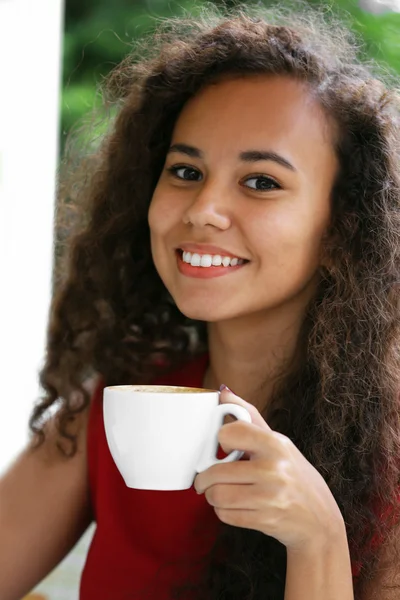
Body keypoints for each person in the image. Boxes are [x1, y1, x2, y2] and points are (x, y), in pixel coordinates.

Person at [0, 4, 399, 600]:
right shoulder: (107, 410)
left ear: (343, 230)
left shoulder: (390, 460)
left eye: (261, 181)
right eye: (185, 171)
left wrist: (318, 541)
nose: (201, 209)